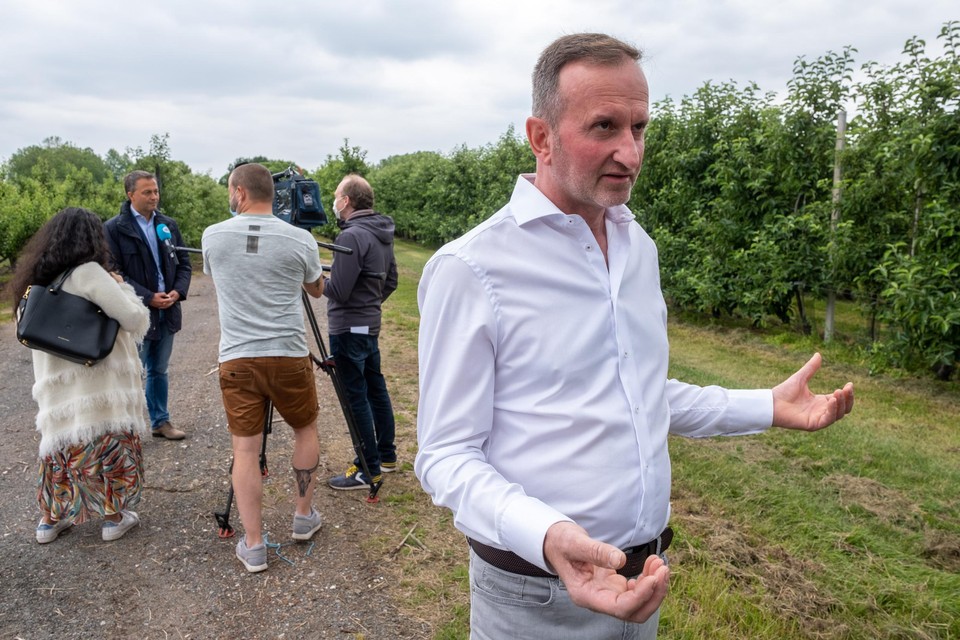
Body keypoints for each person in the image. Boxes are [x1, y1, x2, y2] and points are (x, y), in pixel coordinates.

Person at [414, 33, 856, 639]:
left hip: (643, 578)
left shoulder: (636, 248)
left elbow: (639, 392)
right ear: (540, 136)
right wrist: (545, 535)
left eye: (640, 128)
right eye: (604, 127)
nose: (630, 151)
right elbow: (445, 456)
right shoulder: (473, 268)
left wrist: (766, 406)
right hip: (533, 599)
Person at [202, 163, 325, 573]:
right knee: (305, 430)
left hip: (238, 356)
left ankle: (253, 544)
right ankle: (303, 515)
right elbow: (316, 288)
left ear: (239, 192)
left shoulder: (213, 236)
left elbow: (217, 274)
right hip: (288, 354)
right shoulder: (300, 238)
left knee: (245, 449)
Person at [11, 207, 151, 544]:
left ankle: (49, 520)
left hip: (57, 393)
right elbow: (133, 318)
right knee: (103, 443)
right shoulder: (89, 272)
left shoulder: (37, 278)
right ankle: (113, 518)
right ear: (92, 238)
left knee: (60, 450)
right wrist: (123, 287)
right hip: (97, 386)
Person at [323, 174, 399, 491]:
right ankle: (386, 456)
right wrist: (369, 304)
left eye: (337, 196)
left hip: (347, 328)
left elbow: (338, 290)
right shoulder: (380, 232)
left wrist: (313, 281)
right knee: (374, 389)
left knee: (357, 397)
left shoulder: (351, 236)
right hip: (368, 325)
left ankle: (368, 469)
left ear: (347, 201)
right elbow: (390, 280)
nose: (334, 202)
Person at [104, 170, 192, 441]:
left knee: (159, 369)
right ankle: (127, 428)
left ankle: (160, 422)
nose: (154, 196)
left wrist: (177, 291)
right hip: (136, 313)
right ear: (130, 194)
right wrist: (147, 296)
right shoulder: (113, 229)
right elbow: (113, 271)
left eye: (155, 191)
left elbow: (184, 263)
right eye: (147, 192)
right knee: (132, 372)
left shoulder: (168, 225)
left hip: (168, 309)